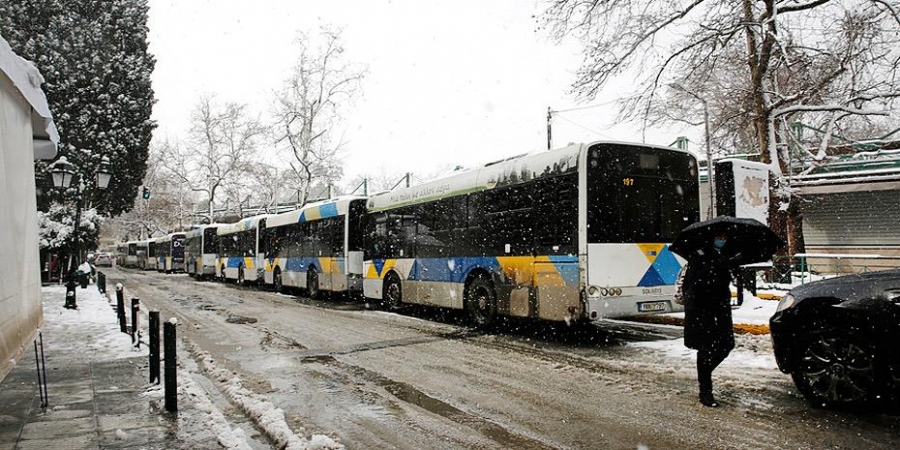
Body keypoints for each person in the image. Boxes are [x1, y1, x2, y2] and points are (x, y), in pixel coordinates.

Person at [681, 231, 738, 407]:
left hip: (721, 308)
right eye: (720, 237)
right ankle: (705, 391)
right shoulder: (700, 255)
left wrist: (731, 265)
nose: (722, 240)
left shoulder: (724, 255)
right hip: (703, 309)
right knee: (706, 348)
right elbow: (699, 282)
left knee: (727, 344)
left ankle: (704, 374)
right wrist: (725, 264)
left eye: (725, 238)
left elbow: (724, 280)